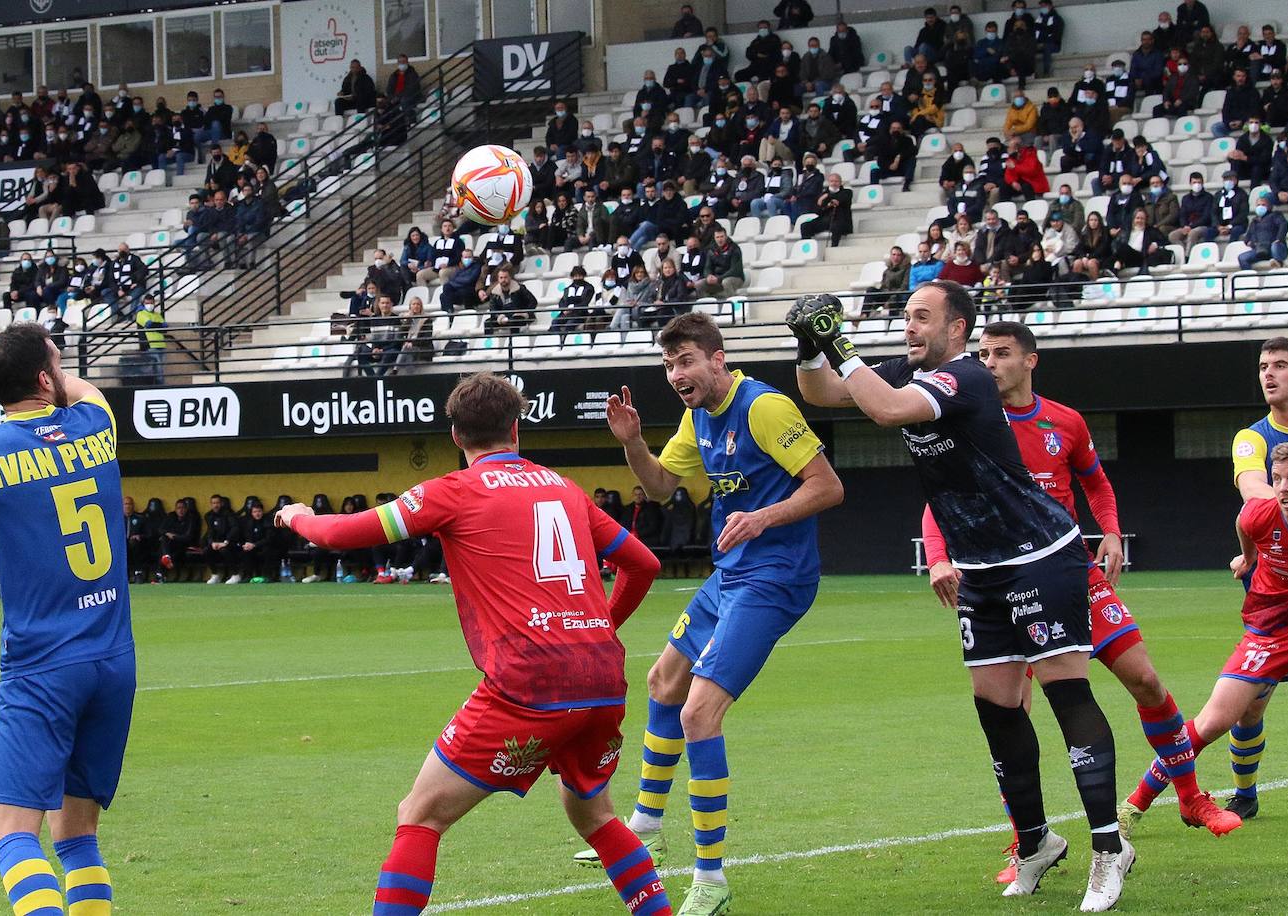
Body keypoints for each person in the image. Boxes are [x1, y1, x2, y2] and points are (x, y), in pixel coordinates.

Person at [789, 284, 1133, 911]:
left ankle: (1109, 849)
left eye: (922, 317)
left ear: (957, 329)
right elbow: (822, 393)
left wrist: (839, 342)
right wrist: (811, 346)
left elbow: (887, 411)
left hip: (1040, 556)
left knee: (1067, 695)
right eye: (905, 316)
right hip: (980, 569)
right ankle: (1035, 843)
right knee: (997, 709)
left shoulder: (966, 377)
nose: (909, 327)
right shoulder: (908, 371)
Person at [275, 372, 671, 916]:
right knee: (594, 815)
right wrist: (596, 629)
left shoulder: (453, 491)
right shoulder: (565, 488)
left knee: (420, 815)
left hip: (529, 682)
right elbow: (643, 564)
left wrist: (299, 516)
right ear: (516, 428)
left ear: (456, 436)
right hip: (601, 676)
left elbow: (340, 534)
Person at [926, 322, 1241, 876]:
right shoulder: (971, 421)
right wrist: (938, 557)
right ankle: (1028, 841)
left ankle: (1191, 797)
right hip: (1005, 580)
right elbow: (939, 498)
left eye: (1001, 353)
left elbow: (1095, 482)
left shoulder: (1065, 421)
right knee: (1011, 712)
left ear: (1031, 361)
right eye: (983, 353)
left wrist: (1111, 532)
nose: (989, 363)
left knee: (1145, 679)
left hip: (1070, 572)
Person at [575, 313, 843, 916]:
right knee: (663, 681)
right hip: (731, 575)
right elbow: (661, 485)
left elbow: (828, 486)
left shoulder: (764, 408)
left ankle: (711, 876)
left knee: (699, 712)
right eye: (669, 365)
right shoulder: (697, 416)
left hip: (775, 578)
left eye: (686, 361)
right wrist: (632, 442)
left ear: (718, 359)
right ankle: (646, 825)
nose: (677, 374)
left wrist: (763, 517)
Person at [1147, 338, 1288, 824]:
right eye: (1264, 366)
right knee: (1249, 706)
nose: (1268, 374)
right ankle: (1244, 792)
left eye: (1280, 365)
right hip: (1279, 589)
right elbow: (1255, 494)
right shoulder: (1251, 438)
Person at [0, 323, 134, 916]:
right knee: (76, 836)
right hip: (113, 662)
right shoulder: (95, 423)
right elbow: (77, 387)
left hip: (42, 666)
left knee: (9, 832)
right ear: (47, 379)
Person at [1237, 193, 1288, 269]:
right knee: (1242, 258)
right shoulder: (1254, 221)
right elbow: (1247, 236)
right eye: (1258, 205)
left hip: (1275, 248)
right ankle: (1250, 276)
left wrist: (1279, 239)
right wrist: (1248, 242)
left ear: (1270, 206)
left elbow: (1283, 225)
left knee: (1275, 246)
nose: (1260, 207)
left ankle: (1278, 263)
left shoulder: (1276, 216)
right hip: (1261, 251)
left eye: (1263, 205)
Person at [801, 171, 852, 246]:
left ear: (840, 183)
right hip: (825, 220)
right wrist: (825, 205)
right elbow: (817, 211)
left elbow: (841, 199)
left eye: (836, 181)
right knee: (805, 226)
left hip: (841, 220)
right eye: (832, 181)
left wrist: (827, 197)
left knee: (836, 226)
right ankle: (809, 247)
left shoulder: (847, 192)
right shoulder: (822, 194)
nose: (834, 183)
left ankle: (834, 248)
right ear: (828, 182)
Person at [865, 246, 910, 315]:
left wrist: (890, 300)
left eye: (898, 255)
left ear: (902, 257)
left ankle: (892, 320)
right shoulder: (887, 270)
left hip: (898, 296)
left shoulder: (907, 269)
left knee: (894, 300)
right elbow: (883, 286)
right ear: (890, 256)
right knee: (870, 290)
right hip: (885, 294)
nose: (896, 257)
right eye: (894, 255)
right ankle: (864, 315)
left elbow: (904, 287)